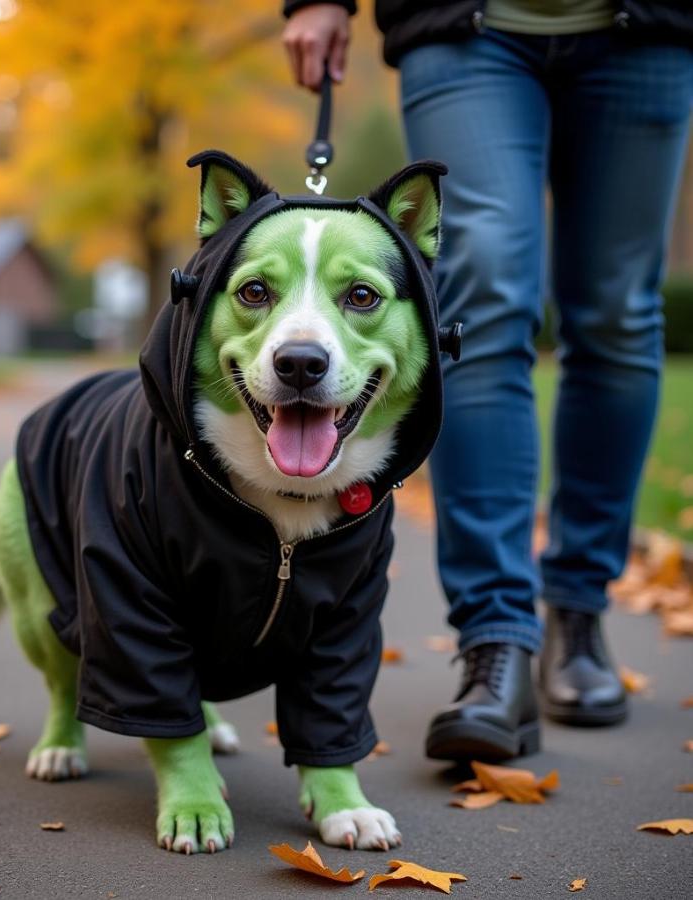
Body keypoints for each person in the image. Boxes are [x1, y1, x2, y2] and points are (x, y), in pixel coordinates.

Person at [282, 0, 693, 761]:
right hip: (463, 22)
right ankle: (495, 638)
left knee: (616, 316)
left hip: (645, 28)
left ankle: (577, 611)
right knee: (485, 303)